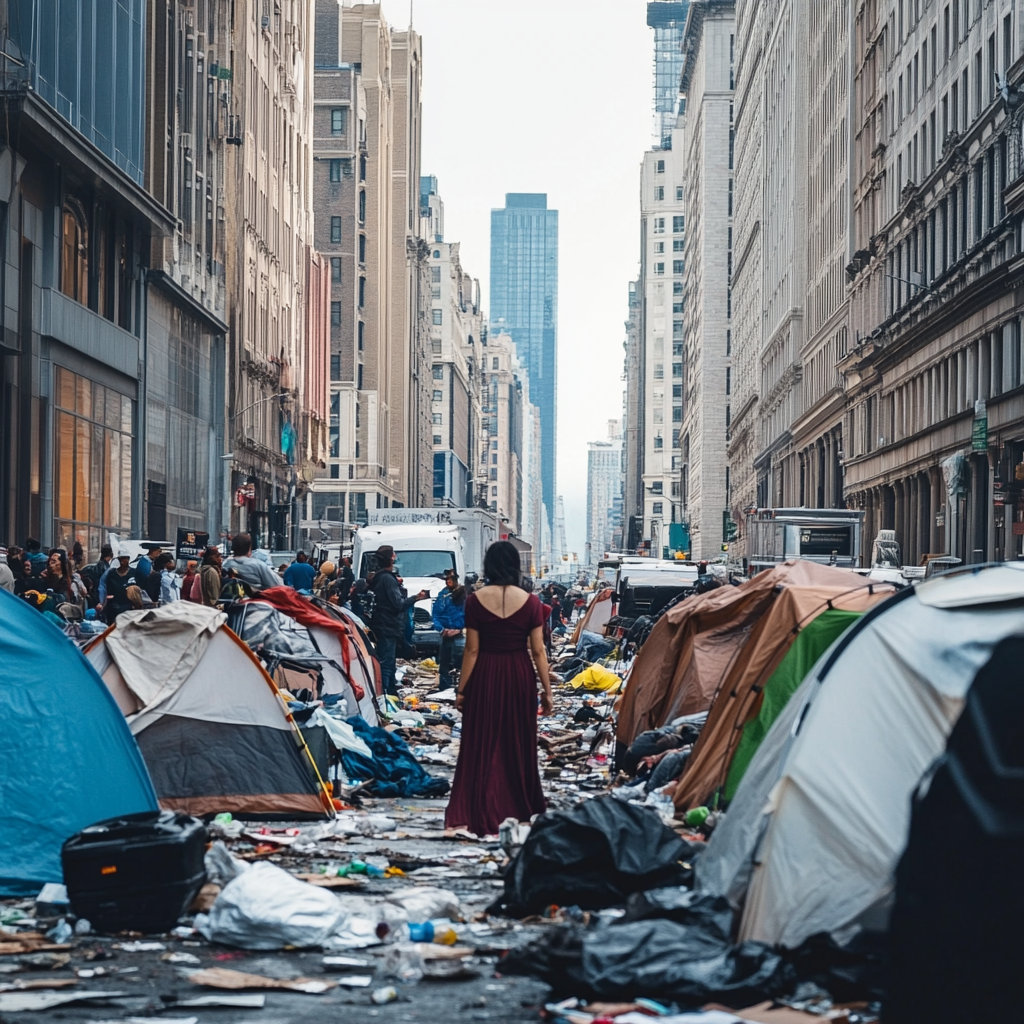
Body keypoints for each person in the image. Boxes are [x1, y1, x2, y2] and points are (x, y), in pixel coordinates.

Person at [445, 540, 552, 838]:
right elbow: (538, 651)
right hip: (519, 674)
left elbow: (473, 650)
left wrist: (462, 691)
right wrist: (547, 691)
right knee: (518, 741)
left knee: (482, 741)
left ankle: (481, 805)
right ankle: (517, 806)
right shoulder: (531, 602)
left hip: (486, 674)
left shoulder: (475, 600)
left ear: (489, 566)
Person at [365, 545, 429, 697]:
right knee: (387, 665)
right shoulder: (387, 579)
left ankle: (387, 693)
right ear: (391, 558)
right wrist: (416, 598)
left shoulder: (380, 577)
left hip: (382, 625)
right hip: (388, 627)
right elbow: (398, 604)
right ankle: (386, 697)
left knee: (386, 662)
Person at [431, 570, 466, 690]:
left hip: (461, 635)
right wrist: (441, 629)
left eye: (451, 579)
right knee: (445, 663)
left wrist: (460, 630)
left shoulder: (465, 595)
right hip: (446, 635)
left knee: (461, 664)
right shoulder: (443, 595)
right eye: (446, 579)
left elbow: (471, 615)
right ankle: (445, 689)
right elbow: (436, 614)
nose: (448, 581)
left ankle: (462, 688)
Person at [98, 550, 142, 623]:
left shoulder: (134, 573)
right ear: (119, 559)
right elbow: (103, 587)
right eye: (123, 559)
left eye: (127, 558)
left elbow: (139, 589)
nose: (125, 561)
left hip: (129, 607)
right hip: (113, 606)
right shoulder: (111, 573)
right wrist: (102, 602)